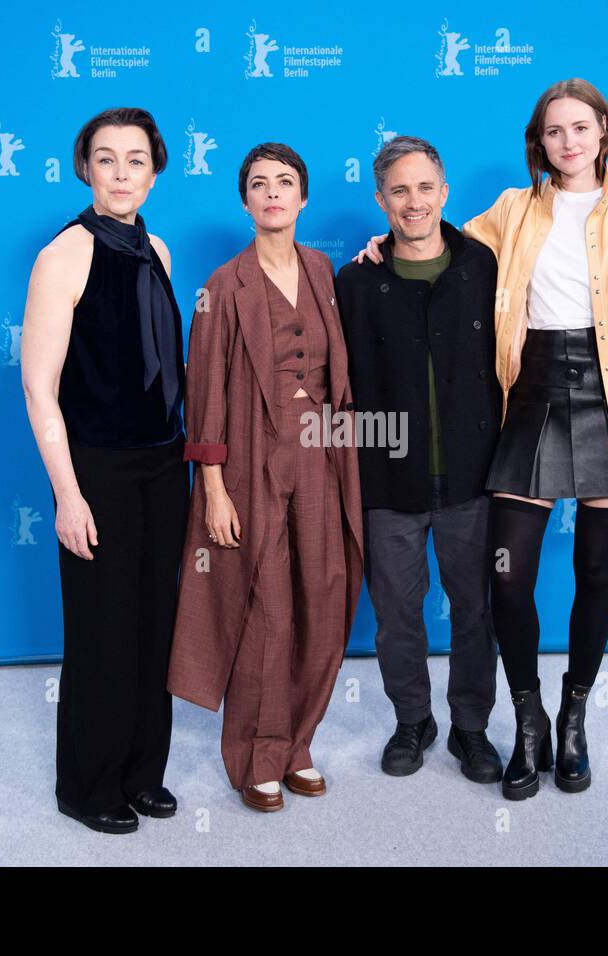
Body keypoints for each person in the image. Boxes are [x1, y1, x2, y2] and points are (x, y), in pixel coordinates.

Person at [359, 78, 608, 800]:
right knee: (507, 575)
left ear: (604, 131)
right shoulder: (514, 210)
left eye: (580, 127)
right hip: (533, 398)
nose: (568, 141)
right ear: (538, 142)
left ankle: (574, 717)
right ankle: (529, 718)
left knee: (597, 573)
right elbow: (433, 241)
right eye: (553, 131)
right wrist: (381, 242)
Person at [167, 143, 364, 813]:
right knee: (268, 614)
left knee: (325, 599)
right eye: (259, 184)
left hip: (324, 461)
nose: (273, 192)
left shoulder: (323, 270)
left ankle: (298, 743)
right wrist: (213, 487)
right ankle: (257, 754)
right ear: (245, 201)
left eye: (285, 182)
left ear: (302, 198)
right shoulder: (224, 285)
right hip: (252, 464)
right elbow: (206, 392)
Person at [20, 107, 189, 833]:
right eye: (107, 159)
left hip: (163, 463)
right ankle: (88, 787)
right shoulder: (64, 254)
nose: (122, 174)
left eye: (136, 160)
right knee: (102, 629)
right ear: (84, 168)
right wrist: (67, 493)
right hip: (98, 467)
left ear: (155, 170)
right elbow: (38, 386)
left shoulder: (159, 248)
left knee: (158, 625)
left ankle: (142, 773)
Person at [334, 136, 504, 783]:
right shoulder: (355, 280)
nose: (414, 201)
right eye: (399, 190)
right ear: (381, 200)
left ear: (445, 192)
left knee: (474, 609)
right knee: (398, 615)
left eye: (424, 187)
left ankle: (470, 728)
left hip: (473, 475)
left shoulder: (483, 266)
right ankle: (413, 720)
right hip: (387, 479)